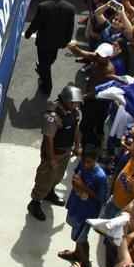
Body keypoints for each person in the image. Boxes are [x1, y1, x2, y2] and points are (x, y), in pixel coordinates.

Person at [27, 86, 83, 222]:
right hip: (54, 153)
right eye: (73, 102)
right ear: (64, 100)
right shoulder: (52, 117)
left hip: (66, 151)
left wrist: (77, 146)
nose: (75, 105)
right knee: (45, 178)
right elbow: (49, 139)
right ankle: (35, 203)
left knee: (58, 175)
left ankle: (49, 193)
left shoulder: (74, 112)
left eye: (77, 103)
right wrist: (51, 159)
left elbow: (75, 129)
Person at [24, 0, 77, 94]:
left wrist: (28, 33)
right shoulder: (70, 8)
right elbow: (70, 27)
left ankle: (47, 87)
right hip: (58, 42)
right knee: (50, 59)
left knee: (45, 64)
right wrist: (66, 41)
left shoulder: (43, 6)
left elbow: (36, 23)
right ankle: (43, 69)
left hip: (43, 41)